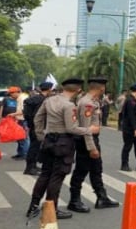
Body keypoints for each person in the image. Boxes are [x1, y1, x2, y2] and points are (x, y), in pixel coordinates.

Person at [26, 78, 99, 220]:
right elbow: (71, 128)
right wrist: (88, 130)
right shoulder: (69, 105)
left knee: (45, 175)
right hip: (64, 142)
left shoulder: (49, 100)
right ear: (78, 90)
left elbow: (37, 119)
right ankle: (52, 208)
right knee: (57, 177)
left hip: (48, 140)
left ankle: (33, 207)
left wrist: (41, 136)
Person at [67, 77, 119, 213]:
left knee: (96, 169)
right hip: (86, 140)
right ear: (101, 88)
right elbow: (86, 127)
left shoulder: (93, 101)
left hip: (91, 139)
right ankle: (74, 200)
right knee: (81, 170)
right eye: (104, 87)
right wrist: (92, 147)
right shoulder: (87, 103)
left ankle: (101, 197)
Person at [23, 82, 53, 175]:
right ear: (48, 89)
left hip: (32, 125)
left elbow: (27, 114)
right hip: (38, 126)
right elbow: (39, 116)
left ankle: (33, 165)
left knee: (35, 146)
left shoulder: (33, 99)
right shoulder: (43, 101)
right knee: (34, 147)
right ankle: (30, 167)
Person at [0, 86, 29, 160]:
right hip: (20, 119)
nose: (10, 96)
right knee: (19, 137)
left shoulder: (23, 98)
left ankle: (24, 154)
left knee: (23, 138)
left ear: (16, 92)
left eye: (11, 94)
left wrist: (13, 114)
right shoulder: (19, 98)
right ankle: (20, 153)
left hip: (23, 120)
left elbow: (24, 111)